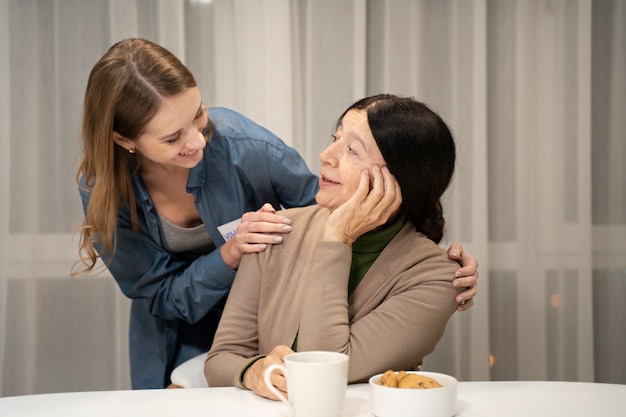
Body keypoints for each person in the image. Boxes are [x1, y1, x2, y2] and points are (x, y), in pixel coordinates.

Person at [72, 38, 478, 389]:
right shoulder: (105, 189)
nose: (197, 140)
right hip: (188, 330)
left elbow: (338, 212)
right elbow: (165, 299)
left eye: (198, 114)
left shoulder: (246, 149)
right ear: (125, 140)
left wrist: (436, 264)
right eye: (172, 137)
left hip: (287, 321)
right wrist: (232, 256)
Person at [205, 94, 465, 399]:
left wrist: (337, 239)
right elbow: (221, 360)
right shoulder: (276, 229)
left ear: (400, 179)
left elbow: (323, 368)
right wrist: (253, 371)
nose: (325, 155)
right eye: (335, 138)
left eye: (352, 150)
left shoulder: (436, 278)